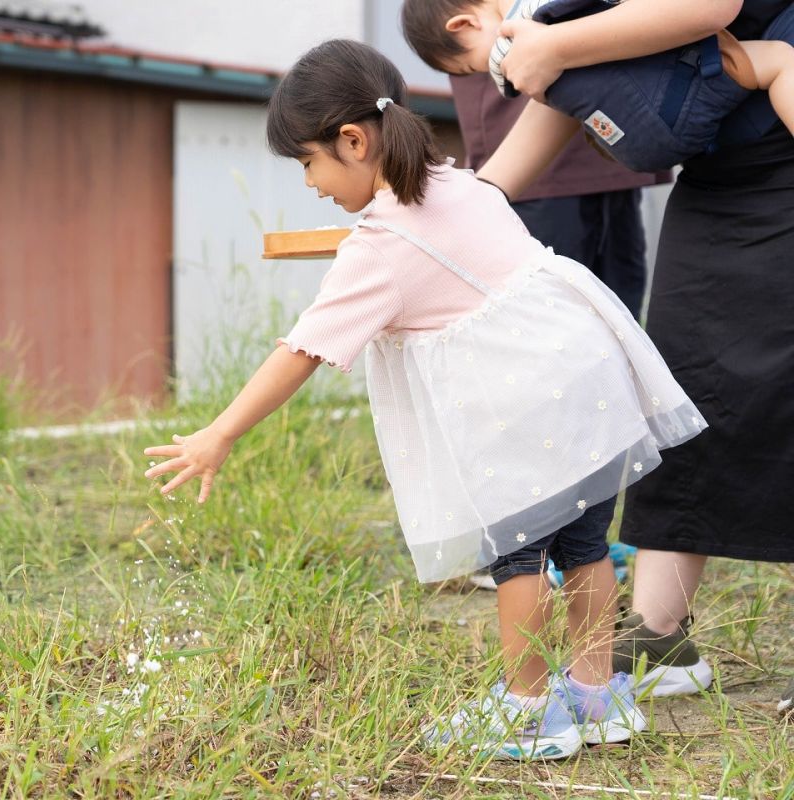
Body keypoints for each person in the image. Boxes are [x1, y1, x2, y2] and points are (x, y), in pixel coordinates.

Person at [142, 39, 707, 758]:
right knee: (585, 544)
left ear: (352, 140)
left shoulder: (379, 246)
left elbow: (302, 350)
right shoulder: (463, 185)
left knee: (519, 555)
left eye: (308, 162)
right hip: (586, 382)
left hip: (524, 403)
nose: (311, 183)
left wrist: (218, 433)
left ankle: (527, 710)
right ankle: (596, 698)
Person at [465, 0, 794, 711]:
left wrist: (557, 48)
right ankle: (660, 634)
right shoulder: (571, 20)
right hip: (718, 175)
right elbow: (591, 78)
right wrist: (472, 204)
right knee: (685, 382)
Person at [447, 71, 666, 590]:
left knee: (608, 355)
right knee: (529, 368)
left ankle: (585, 533)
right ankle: (518, 543)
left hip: (615, 162)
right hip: (531, 176)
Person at [401, 0, 794, 172]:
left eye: (475, 63)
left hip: (656, 132)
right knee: (777, 60)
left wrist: (554, 49)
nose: (493, 71)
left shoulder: (531, 34)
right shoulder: (543, 20)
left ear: (465, 24)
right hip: (688, 94)